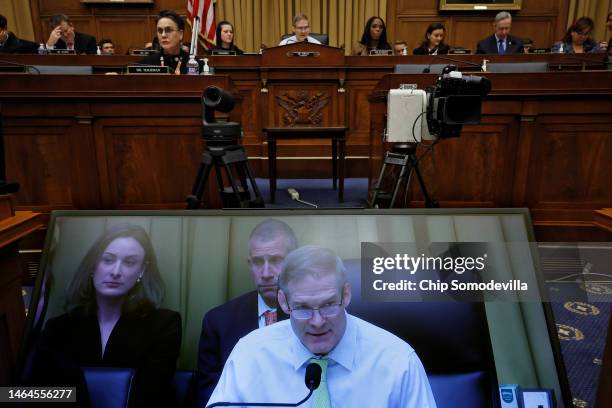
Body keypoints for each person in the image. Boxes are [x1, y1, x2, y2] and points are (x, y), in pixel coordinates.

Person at [208, 245, 437, 407]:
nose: (317, 322)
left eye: (328, 305)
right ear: (283, 302)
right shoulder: (250, 354)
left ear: (346, 295)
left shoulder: (398, 361)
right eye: (303, 308)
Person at [28, 225, 181, 408]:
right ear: (93, 264)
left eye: (129, 262)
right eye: (107, 260)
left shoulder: (164, 324)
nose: (116, 272)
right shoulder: (58, 328)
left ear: (142, 271)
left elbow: (151, 395)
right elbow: (32, 396)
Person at [196, 219, 298, 408]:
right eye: (258, 262)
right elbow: (209, 396)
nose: (266, 273)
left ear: (294, 263)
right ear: (249, 264)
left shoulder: (312, 316)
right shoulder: (219, 322)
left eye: (276, 260)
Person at [140, 10, 200, 74]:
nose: (163, 35)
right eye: (160, 31)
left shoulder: (196, 65)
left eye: (168, 30)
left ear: (180, 34)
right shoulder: (146, 64)